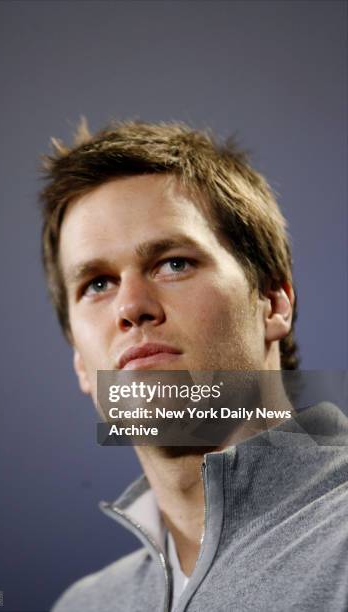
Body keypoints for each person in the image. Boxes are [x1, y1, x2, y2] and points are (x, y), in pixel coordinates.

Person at [39, 120, 348, 611]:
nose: (130, 307)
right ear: (80, 361)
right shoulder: (84, 604)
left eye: (174, 263)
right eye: (97, 284)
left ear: (273, 302)